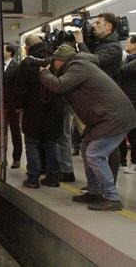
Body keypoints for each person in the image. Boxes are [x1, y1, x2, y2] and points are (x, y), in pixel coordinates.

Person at [39, 45, 136, 211]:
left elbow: (59, 86)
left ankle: (112, 198)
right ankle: (94, 191)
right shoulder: (79, 66)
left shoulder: (78, 66)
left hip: (114, 118)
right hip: (105, 117)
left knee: (95, 153)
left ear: (59, 61)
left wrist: (43, 73)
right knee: (85, 149)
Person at [74, 12, 123, 183]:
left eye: (99, 23)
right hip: (98, 101)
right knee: (88, 146)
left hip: (107, 104)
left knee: (106, 149)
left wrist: (80, 43)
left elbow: (93, 62)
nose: (95, 26)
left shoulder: (113, 47)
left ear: (109, 26)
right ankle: (96, 188)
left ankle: (108, 188)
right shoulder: (101, 44)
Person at [14, 34, 63, 188]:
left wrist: (18, 106)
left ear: (27, 47)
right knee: (51, 144)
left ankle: (33, 178)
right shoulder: (55, 59)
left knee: (32, 143)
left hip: (33, 110)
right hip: (54, 109)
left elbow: (20, 88)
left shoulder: (27, 63)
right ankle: (53, 177)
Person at [3, 43, 22, 169]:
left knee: (15, 132)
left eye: (4, 49)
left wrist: (18, 105)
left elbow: (18, 87)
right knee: (2, 133)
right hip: (1, 106)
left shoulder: (16, 67)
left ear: (10, 52)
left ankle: (16, 158)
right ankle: (2, 158)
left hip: (12, 106)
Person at [120, 35, 136, 174]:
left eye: (128, 42)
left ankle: (134, 162)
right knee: (123, 132)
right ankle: (122, 161)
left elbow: (124, 70)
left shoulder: (133, 62)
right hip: (127, 99)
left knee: (133, 133)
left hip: (133, 100)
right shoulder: (128, 59)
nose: (126, 44)